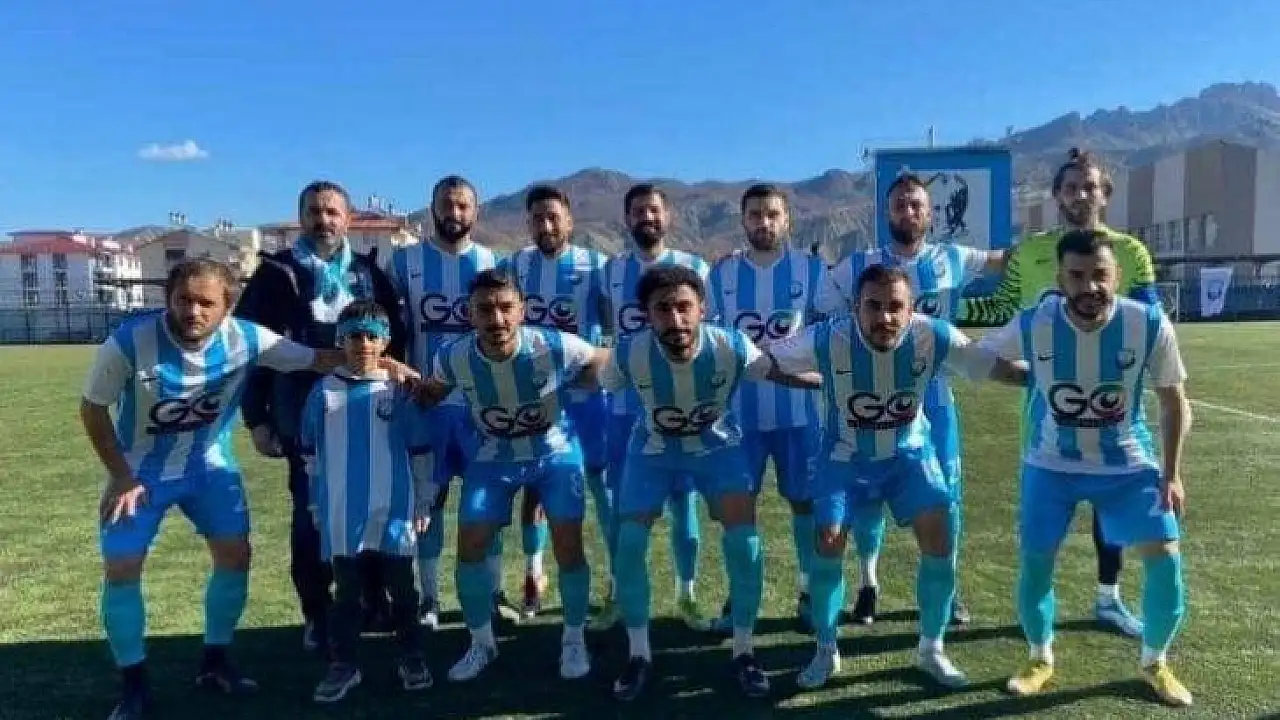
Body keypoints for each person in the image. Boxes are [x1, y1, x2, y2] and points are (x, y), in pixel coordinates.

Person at [82, 259, 399, 720]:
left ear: (227, 306)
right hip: (138, 474)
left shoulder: (247, 338)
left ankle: (216, 662)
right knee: (122, 568)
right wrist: (120, 475)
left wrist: (389, 366)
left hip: (209, 467)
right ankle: (134, 684)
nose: (193, 311)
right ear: (169, 298)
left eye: (206, 303)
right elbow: (92, 408)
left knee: (234, 557)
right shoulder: (130, 341)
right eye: (183, 300)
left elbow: (317, 358)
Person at [770, 264, 1027, 691]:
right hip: (844, 458)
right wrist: (815, 380)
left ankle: (931, 649)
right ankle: (826, 648)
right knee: (828, 542)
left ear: (912, 309)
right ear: (855, 307)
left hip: (909, 455)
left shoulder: (934, 335)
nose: (884, 317)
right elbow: (766, 361)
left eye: (895, 307)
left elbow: (988, 365)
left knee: (940, 540)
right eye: (873, 306)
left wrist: (1041, 378)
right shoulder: (828, 338)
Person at [980, 230, 1192, 707]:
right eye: (1077, 276)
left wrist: (1172, 474)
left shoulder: (1147, 323)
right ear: (1060, 280)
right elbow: (982, 357)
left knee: (1165, 559)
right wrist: (1025, 379)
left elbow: (1174, 402)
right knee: (1036, 561)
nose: (1090, 286)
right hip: (1050, 464)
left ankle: (1155, 662)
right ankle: (1039, 657)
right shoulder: (1035, 322)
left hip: (1128, 465)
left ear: (1117, 276)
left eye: (1100, 275)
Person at [959, 148, 1158, 638]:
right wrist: (940, 308)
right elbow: (1000, 309)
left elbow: (1152, 318)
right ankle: (1038, 611)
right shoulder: (1030, 253)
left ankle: (1108, 597)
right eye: (1071, 188)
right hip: (1045, 408)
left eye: (1090, 187)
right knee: (1045, 512)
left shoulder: (1130, 252)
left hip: (1113, 407)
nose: (1080, 195)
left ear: (1105, 194)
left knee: (1110, 507)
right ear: (1057, 196)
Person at [604, 266, 821, 702]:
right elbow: (597, 379)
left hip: (718, 448)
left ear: (702, 308)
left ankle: (744, 650)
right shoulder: (628, 353)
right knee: (629, 544)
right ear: (646, 314)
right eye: (663, 309)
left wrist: (831, 381)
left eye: (684, 307)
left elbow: (779, 373)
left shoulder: (730, 345)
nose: (676, 319)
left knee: (744, 541)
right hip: (653, 452)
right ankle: (639, 653)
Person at [814, 172, 1006, 627]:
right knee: (867, 499)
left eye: (916, 204)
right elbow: (821, 302)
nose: (908, 211)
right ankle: (868, 583)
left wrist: (1060, 242)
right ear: (887, 213)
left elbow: (1005, 262)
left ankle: (947, 591)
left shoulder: (951, 257)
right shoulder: (860, 264)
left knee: (945, 497)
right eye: (900, 204)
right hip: (876, 394)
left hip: (935, 398)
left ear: (930, 213)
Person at [411, 269, 608, 683]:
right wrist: (395, 379)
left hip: (554, 453)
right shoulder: (453, 356)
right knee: (470, 547)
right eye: (485, 309)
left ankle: (574, 639)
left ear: (522, 310)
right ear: (470, 314)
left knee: (568, 545)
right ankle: (482, 643)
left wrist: (594, 383)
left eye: (505, 308)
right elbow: (434, 391)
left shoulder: (554, 345)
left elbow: (599, 359)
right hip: (493, 456)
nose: (496, 319)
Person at [237, 180, 407, 651]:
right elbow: (250, 346)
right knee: (312, 514)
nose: (323, 220)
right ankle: (317, 611)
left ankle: (372, 599)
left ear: (347, 219)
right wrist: (257, 418)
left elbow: (397, 338)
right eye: (314, 211)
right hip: (302, 411)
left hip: (366, 410)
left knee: (372, 503)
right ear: (301, 218)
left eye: (332, 212)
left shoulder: (369, 273)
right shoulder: (277, 274)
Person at [384, 175, 508, 629]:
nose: (454, 213)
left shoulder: (494, 262)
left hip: (481, 410)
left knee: (486, 504)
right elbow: (383, 329)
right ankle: (429, 598)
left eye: (462, 206)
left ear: (476, 211)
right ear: (432, 208)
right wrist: (397, 370)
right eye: (446, 205)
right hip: (424, 407)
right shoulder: (404, 261)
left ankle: (493, 593)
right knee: (427, 507)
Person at [298, 300, 434, 704]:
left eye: (371, 336)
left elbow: (420, 451)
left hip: (394, 507)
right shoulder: (323, 392)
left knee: (402, 588)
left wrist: (423, 502)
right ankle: (344, 663)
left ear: (385, 341)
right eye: (354, 336)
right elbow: (310, 455)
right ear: (340, 340)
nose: (363, 344)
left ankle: (411, 656)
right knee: (347, 592)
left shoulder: (398, 391)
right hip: (343, 509)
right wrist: (316, 506)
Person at [706, 183, 826, 633]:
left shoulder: (812, 271)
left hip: (800, 414)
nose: (764, 222)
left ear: (787, 220)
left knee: (805, 504)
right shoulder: (721, 275)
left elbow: (830, 333)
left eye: (772, 214)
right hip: (740, 419)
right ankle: (741, 598)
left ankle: (810, 592)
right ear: (743, 220)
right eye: (755, 214)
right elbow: (709, 338)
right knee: (738, 509)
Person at [593, 183, 710, 633]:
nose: (647, 218)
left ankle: (688, 594)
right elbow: (603, 332)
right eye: (638, 211)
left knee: (684, 504)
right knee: (623, 507)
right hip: (624, 409)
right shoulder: (610, 271)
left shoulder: (695, 267)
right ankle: (619, 591)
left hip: (680, 408)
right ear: (627, 219)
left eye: (654, 210)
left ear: (668, 216)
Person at [501, 185, 610, 618]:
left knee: (601, 486)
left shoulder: (596, 266)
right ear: (527, 223)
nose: (546, 226)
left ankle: (615, 584)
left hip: (587, 400)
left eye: (553, 217)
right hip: (536, 399)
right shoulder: (515, 265)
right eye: (537, 219)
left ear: (569, 220)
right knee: (535, 488)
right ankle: (533, 574)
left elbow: (613, 325)